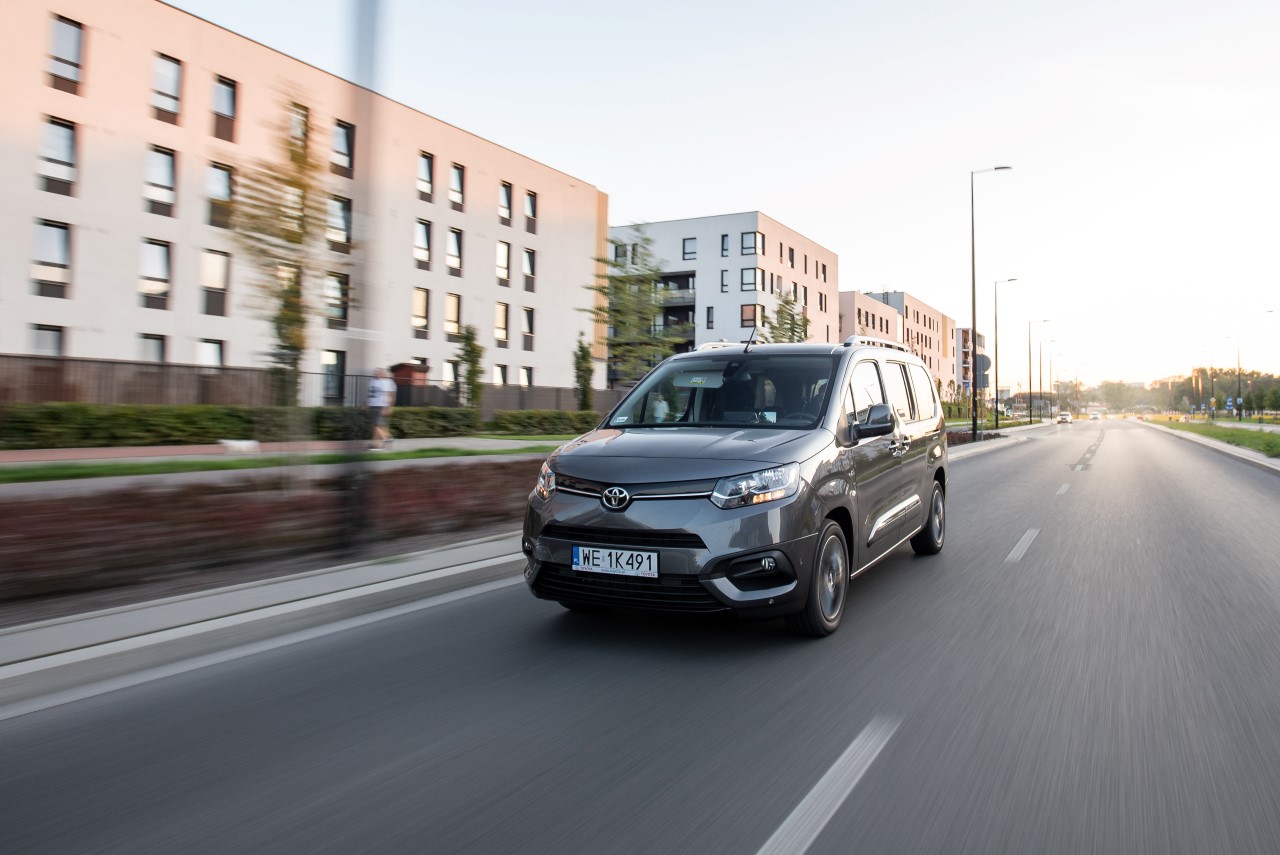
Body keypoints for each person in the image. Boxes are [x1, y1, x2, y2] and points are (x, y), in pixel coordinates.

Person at [367, 367, 397, 449]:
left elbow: (390, 396)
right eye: (375, 372)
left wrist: (388, 407)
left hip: (380, 405)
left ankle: (387, 438)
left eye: (378, 372)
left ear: (383, 373)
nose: (376, 373)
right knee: (375, 426)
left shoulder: (387, 382)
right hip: (374, 405)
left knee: (377, 426)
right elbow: (371, 394)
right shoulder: (373, 381)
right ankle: (375, 444)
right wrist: (367, 403)